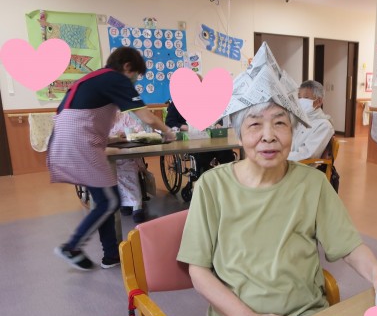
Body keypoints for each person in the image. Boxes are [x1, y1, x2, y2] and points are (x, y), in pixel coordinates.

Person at [176, 42, 377, 316]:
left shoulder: (312, 184)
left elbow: (350, 247)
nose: (269, 135)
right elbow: (198, 270)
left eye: (279, 123)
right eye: (255, 124)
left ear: (293, 130)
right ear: (239, 133)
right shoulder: (212, 186)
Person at [47, 47, 175, 271]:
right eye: (136, 74)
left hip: (65, 140)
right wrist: (168, 132)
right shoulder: (116, 78)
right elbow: (147, 117)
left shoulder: (93, 78)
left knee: (104, 200)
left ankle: (111, 254)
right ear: (127, 66)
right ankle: (72, 247)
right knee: (109, 201)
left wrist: (107, 138)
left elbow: (76, 115)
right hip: (81, 143)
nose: (135, 80)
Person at [165, 97, 236, 173]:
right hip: (192, 140)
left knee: (226, 153)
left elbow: (218, 117)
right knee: (202, 159)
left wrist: (218, 124)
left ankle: (228, 175)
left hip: (211, 139)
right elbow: (170, 122)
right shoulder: (176, 103)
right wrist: (190, 128)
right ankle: (202, 174)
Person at [109, 111, 150, 223]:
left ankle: (137, 205)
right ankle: (124, 203)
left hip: (128, 155)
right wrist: (114, 138)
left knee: (130, 169)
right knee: (113, 172)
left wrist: (127, 134)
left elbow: (140, 130)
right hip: (109, 156)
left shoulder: (124, 116)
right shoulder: (98, 119)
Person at [287, 80, 334, 162]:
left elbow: (307, 154)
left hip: (302, 165)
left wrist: (281, 158)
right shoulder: (300, 119)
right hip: (287, 160)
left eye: (306, 97)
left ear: (319, 101)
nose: (300, 101)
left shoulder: (324, 125)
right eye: (299, 97)